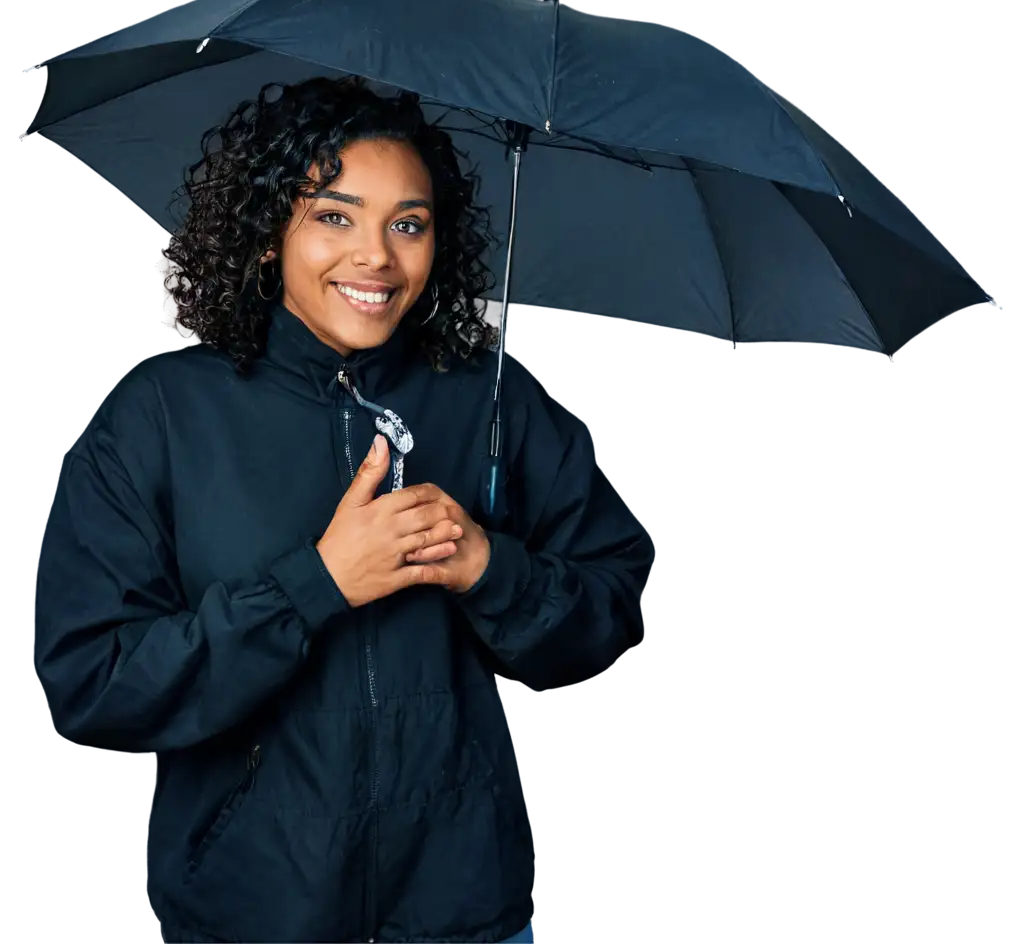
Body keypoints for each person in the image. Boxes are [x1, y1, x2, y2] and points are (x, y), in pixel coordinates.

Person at [34, 76, 655, 944]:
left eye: (408, 223)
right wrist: (316, 584)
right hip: (251, 916)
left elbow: (613, 609)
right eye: (334, 216)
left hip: (462, 913)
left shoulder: (489, 402)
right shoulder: (163, 415)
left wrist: (489, 569)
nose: (376, 256)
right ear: (265, 236)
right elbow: (96, 685)